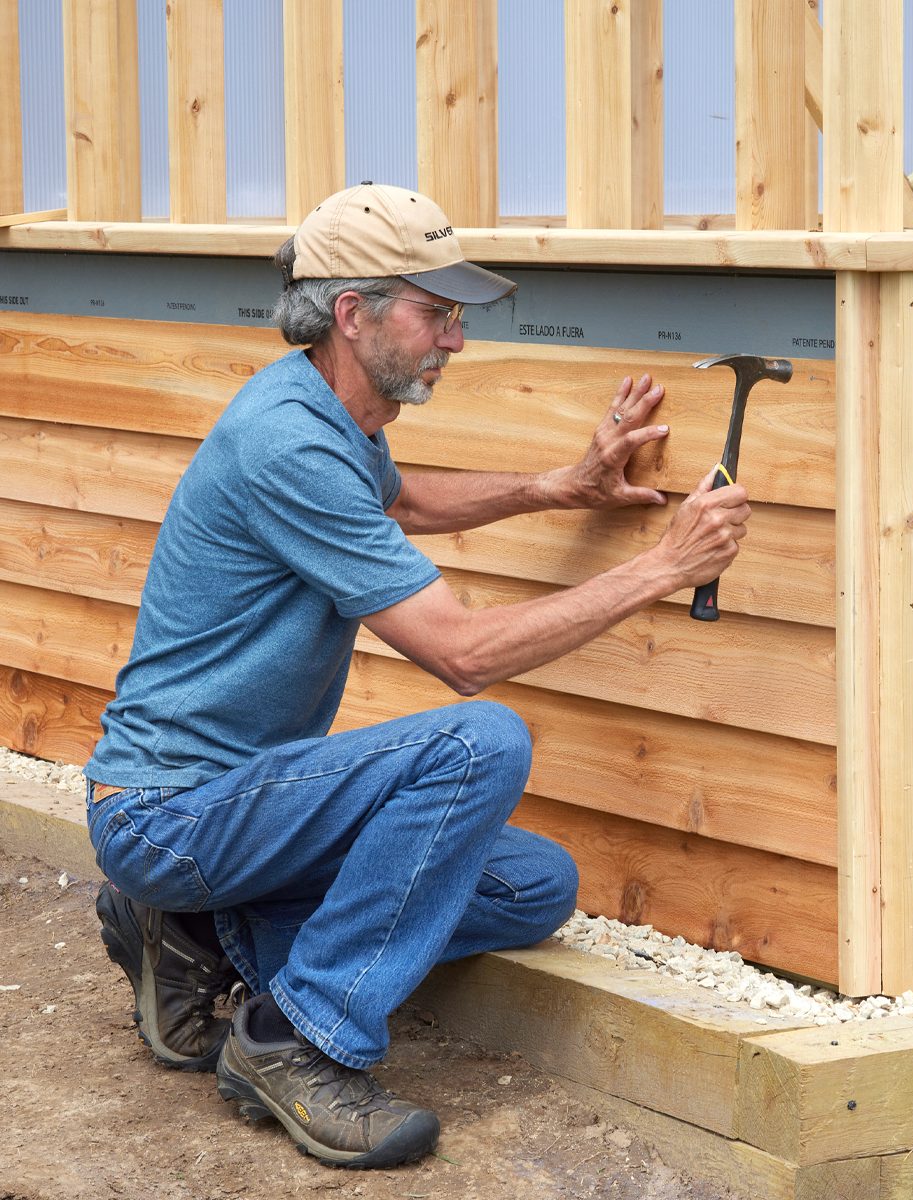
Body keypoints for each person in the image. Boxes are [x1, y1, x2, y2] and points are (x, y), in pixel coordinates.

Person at [83, 183, 751, 1170]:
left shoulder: (336, 421)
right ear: (352, 315)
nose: (457, 339)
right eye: (435, 313)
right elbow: (463, 655)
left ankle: (202, 933)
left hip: (237, 806)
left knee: (535, 886)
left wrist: (558, 487)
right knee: (481, 742)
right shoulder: (290, 441)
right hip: (170, 811)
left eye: (456, 316)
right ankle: (291, 1039)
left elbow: (404, 501)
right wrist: (663, 568)